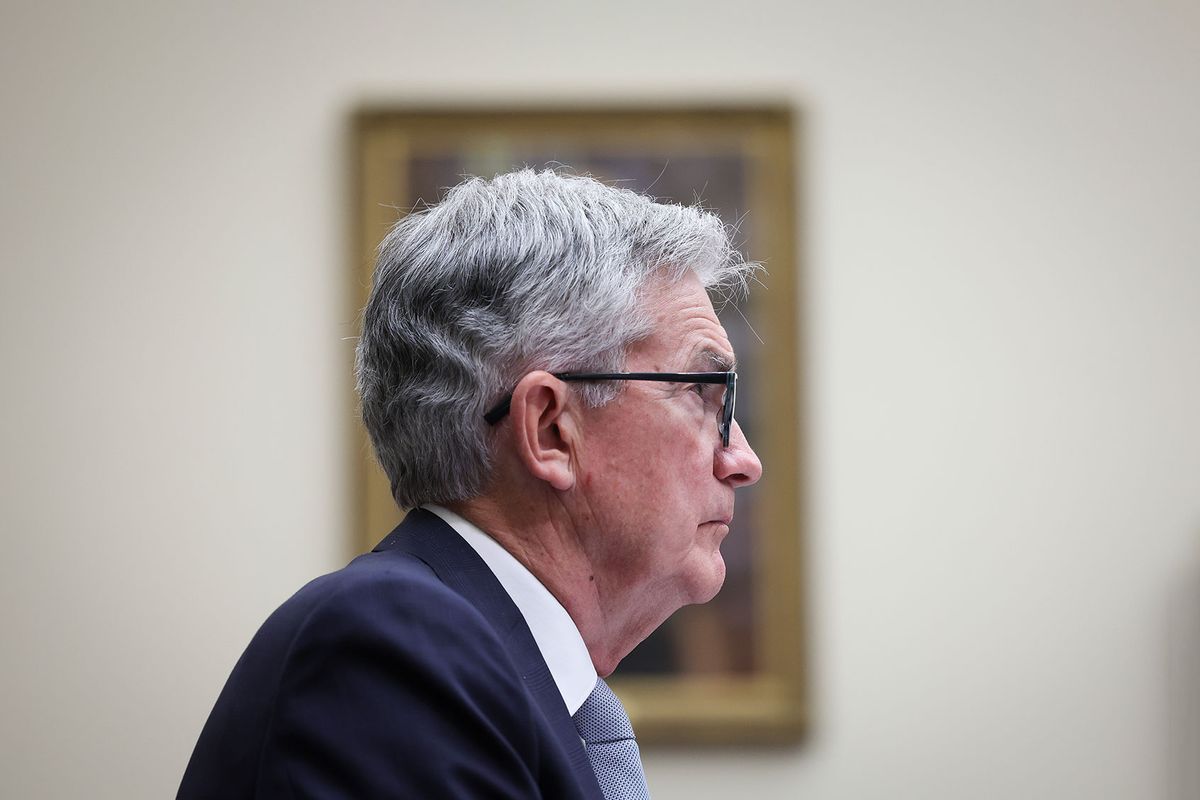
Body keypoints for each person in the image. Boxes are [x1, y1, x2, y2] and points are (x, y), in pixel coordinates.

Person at [178, 169, 763, 799]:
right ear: (550, 430)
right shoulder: (389, 649)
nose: (743, 460)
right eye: (705, 395)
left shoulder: (489, 666)